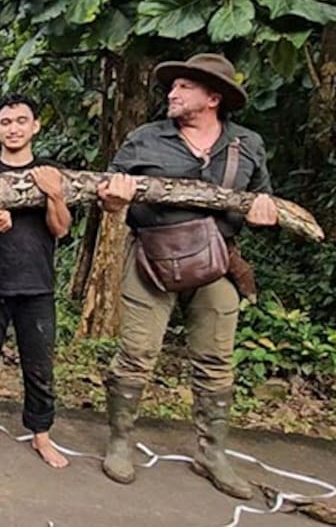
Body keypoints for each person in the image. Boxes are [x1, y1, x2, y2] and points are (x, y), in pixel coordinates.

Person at [97, 53, 277, 499]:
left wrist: (263, 211)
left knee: (216, 360)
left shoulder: (247, 144)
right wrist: (113, 199)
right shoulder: (145, 139)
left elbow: (263, 200)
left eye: (183, 88)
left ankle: (212, 453)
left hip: (217, 261)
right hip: (151, 258)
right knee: (136, 353)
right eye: (172, 87)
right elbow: (108, 192)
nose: (172, 94)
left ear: (213, 98)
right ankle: (120, 441)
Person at [0, 94, 71, 468]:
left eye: (21, 121)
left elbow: (60, 228)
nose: (14, 128)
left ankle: (41, 434)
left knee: (39, 365)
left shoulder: (50, 171)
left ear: (35, 126)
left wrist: (54, 193)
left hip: (36, 284)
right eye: (6, 122)